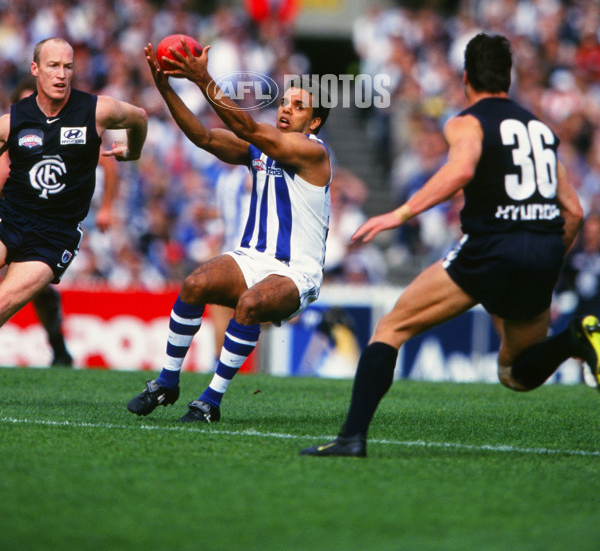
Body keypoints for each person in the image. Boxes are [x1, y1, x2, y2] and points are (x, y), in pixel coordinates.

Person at [299, 33, 597, 458]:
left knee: (391, 327)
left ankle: (351, 438)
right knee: (516, 372)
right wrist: (544, 256)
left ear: (465, 78)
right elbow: (574, 212)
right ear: (508, 79)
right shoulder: (540, 130)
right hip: (544, 247)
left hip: (492, 246)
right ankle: (575, 339)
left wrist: (399, 214)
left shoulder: (466, 122)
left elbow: (460, 170)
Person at [127, 38, 332, 423]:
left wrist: (204, 79)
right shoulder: (261, 145)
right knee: (193, 285)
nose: (286, 109)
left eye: (299, 106)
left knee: (250, 305)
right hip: (251, 257)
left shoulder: (314, 153)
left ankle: (210, 400)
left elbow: (247, 126)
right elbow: (203, 138)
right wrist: (166, 89)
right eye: (285, 102)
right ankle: (167, 382)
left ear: (315, 122)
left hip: (296, 271)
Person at [0, 37, 148, 330]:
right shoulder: (11, 121)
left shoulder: (96, 111)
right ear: (35, 68)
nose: (61, 74)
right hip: (9, 219)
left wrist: (133, 151)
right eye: (53, 66)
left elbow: (139, 117)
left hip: (54, 235)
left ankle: (58, 346)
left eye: (68, 66)